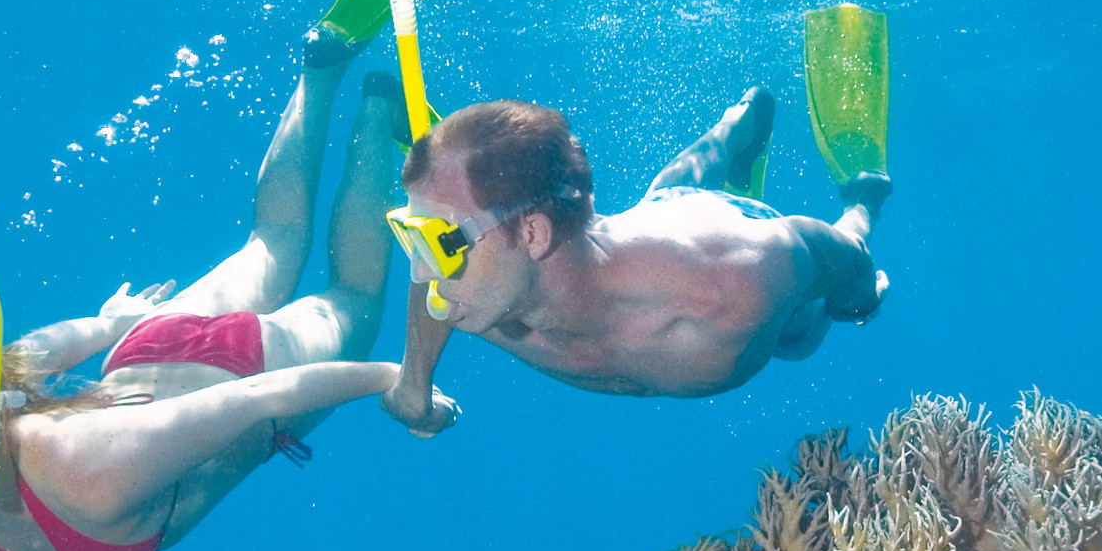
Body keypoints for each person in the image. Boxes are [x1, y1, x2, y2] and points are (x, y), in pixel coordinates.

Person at [0, 37, 414, 551]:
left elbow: (259, 397)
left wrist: (402, 379)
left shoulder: (86, 470)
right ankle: (320, 67)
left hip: (243, 367)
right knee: (275, 236)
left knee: (354, 295)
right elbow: (29, 354)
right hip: (146, 345)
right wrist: (109, 325)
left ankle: (378, 108)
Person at [379, 84, 888, 424]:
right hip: (644, 229)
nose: (421, 272)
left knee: (801, 339)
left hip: (712, 234)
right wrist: (413, 389)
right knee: (664, 195)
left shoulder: (734, 287)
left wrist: (859, 298)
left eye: (438, 242)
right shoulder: (475, 288)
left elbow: (828, 254)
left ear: (533, 234)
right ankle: (739, 127)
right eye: (411, 234)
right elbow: (430, 284)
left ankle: (861, 198)